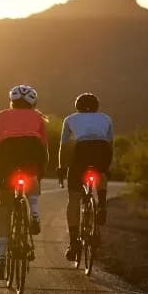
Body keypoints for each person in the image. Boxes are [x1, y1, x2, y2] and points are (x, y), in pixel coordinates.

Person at [0, 84, 49, 280]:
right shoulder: (39, 118)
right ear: (33, 103)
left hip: (7, 156)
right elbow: (44, 149)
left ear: (11, 101)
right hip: (31, 152)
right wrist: (42, 170)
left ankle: (1, 259)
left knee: (5, 208)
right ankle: (35, 213)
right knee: (31, 178)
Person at [57, 92, 113, 261]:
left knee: (74, 197)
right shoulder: (106, 118)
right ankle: (102, 204)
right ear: (97, 107)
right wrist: (108, 167)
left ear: (78, 107)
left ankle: (74, 242)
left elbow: (65, 146)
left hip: (82, 150)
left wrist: (61, 167)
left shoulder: (70, 119)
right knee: (100, 173)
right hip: (102, 149)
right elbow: (110, 144)